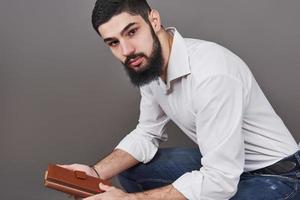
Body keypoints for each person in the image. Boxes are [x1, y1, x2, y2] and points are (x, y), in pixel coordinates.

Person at [61, 0, 300, 199]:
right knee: (132, 172)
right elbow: (147, 133)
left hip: (278, 176)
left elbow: (220, 180)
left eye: (131, 32)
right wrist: (94, 172)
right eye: (113, 42)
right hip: (228, 164)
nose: (126, 50)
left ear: (154, 21)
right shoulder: (149, 67)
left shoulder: (211, 74)